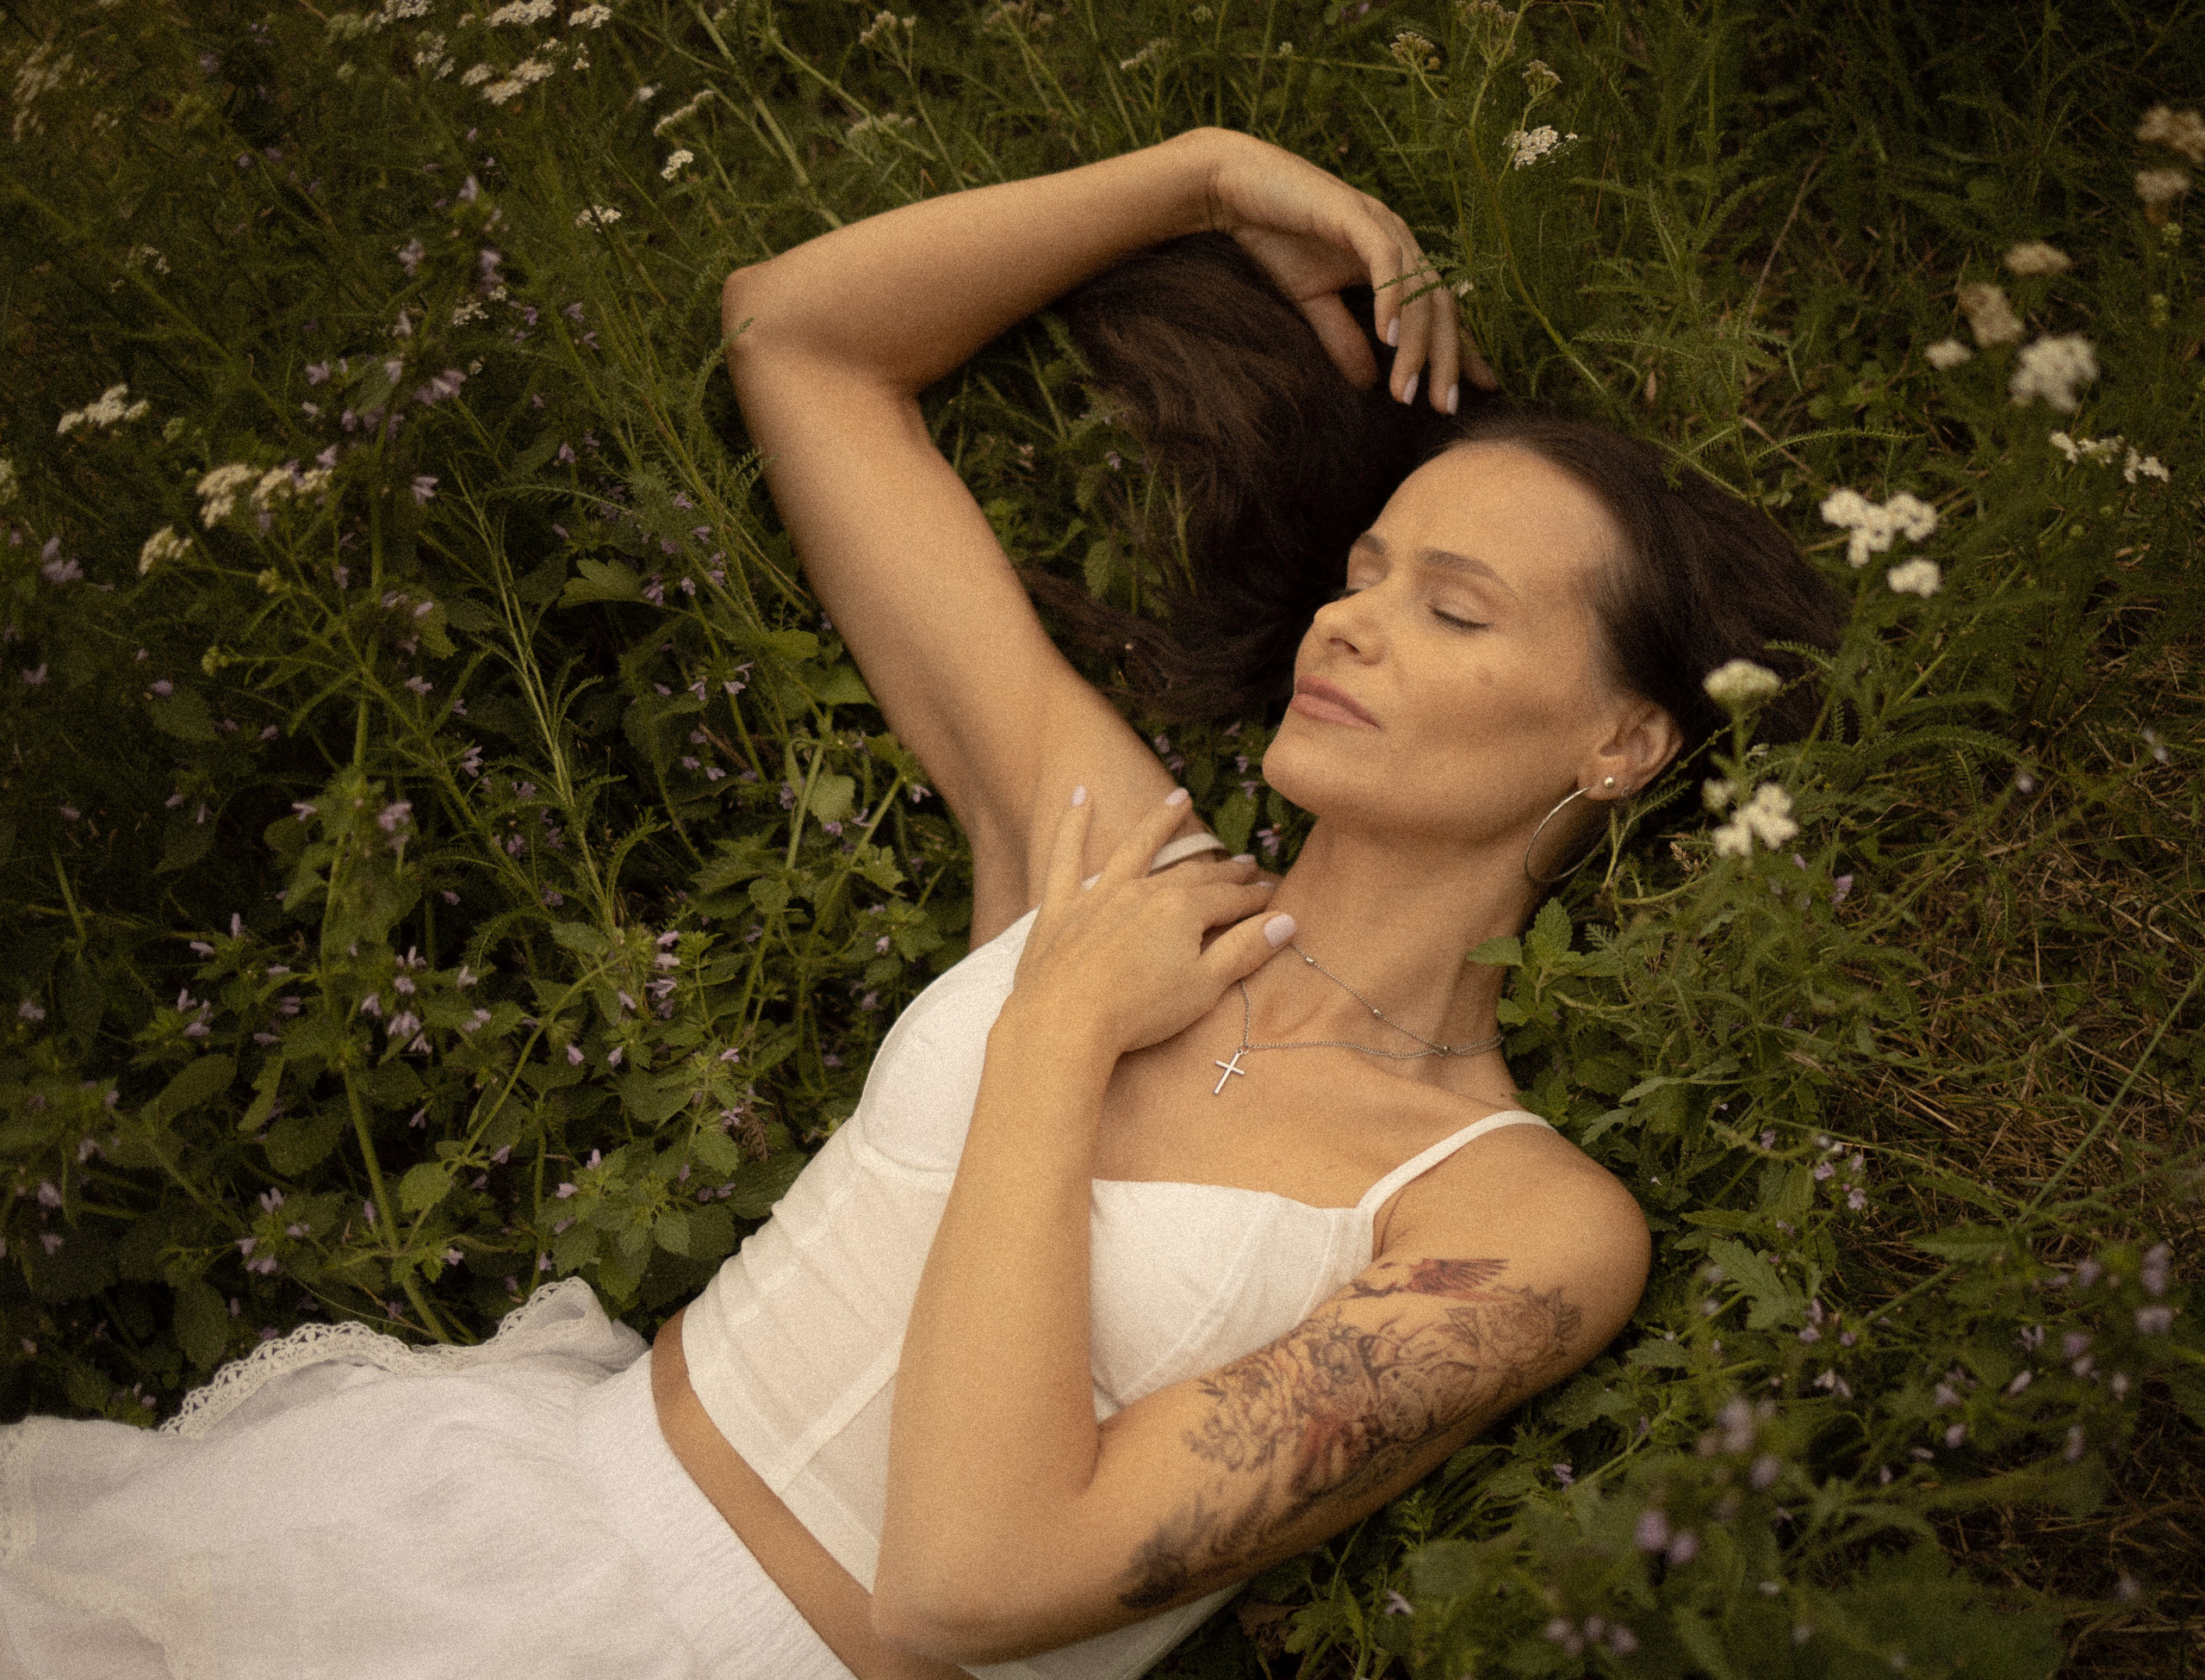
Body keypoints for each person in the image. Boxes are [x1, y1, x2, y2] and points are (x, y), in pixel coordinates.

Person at [0, 128, 1842, 1680]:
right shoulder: (1121, 856)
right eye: (1361, 572)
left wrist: (1046, 1033)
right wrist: (1192, 175)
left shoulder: (1516, 1221)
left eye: (1452, 608)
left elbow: (969, 1582)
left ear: (1616, 740)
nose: (1349, 619)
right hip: (457, 1525)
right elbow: (799, 341)